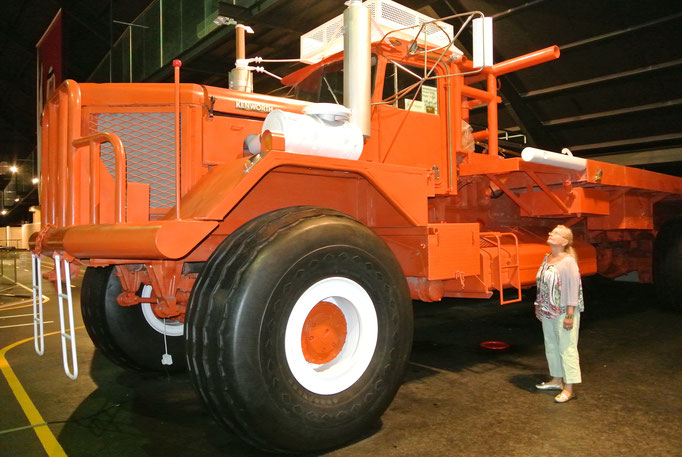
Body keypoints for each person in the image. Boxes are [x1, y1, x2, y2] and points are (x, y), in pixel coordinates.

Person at [534, 225, 584, 403]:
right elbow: (541, 284)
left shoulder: (568, 261)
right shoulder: (547, 258)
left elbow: (574, 289)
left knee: (567, 348)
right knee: (552, 346)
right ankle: (556, 379)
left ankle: (569, 388)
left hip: (564, 311)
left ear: (564, 242)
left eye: (555, 234)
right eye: (551, 232)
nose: (550, 234)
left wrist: (570, 314)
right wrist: (538, 303)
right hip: (548, 310)